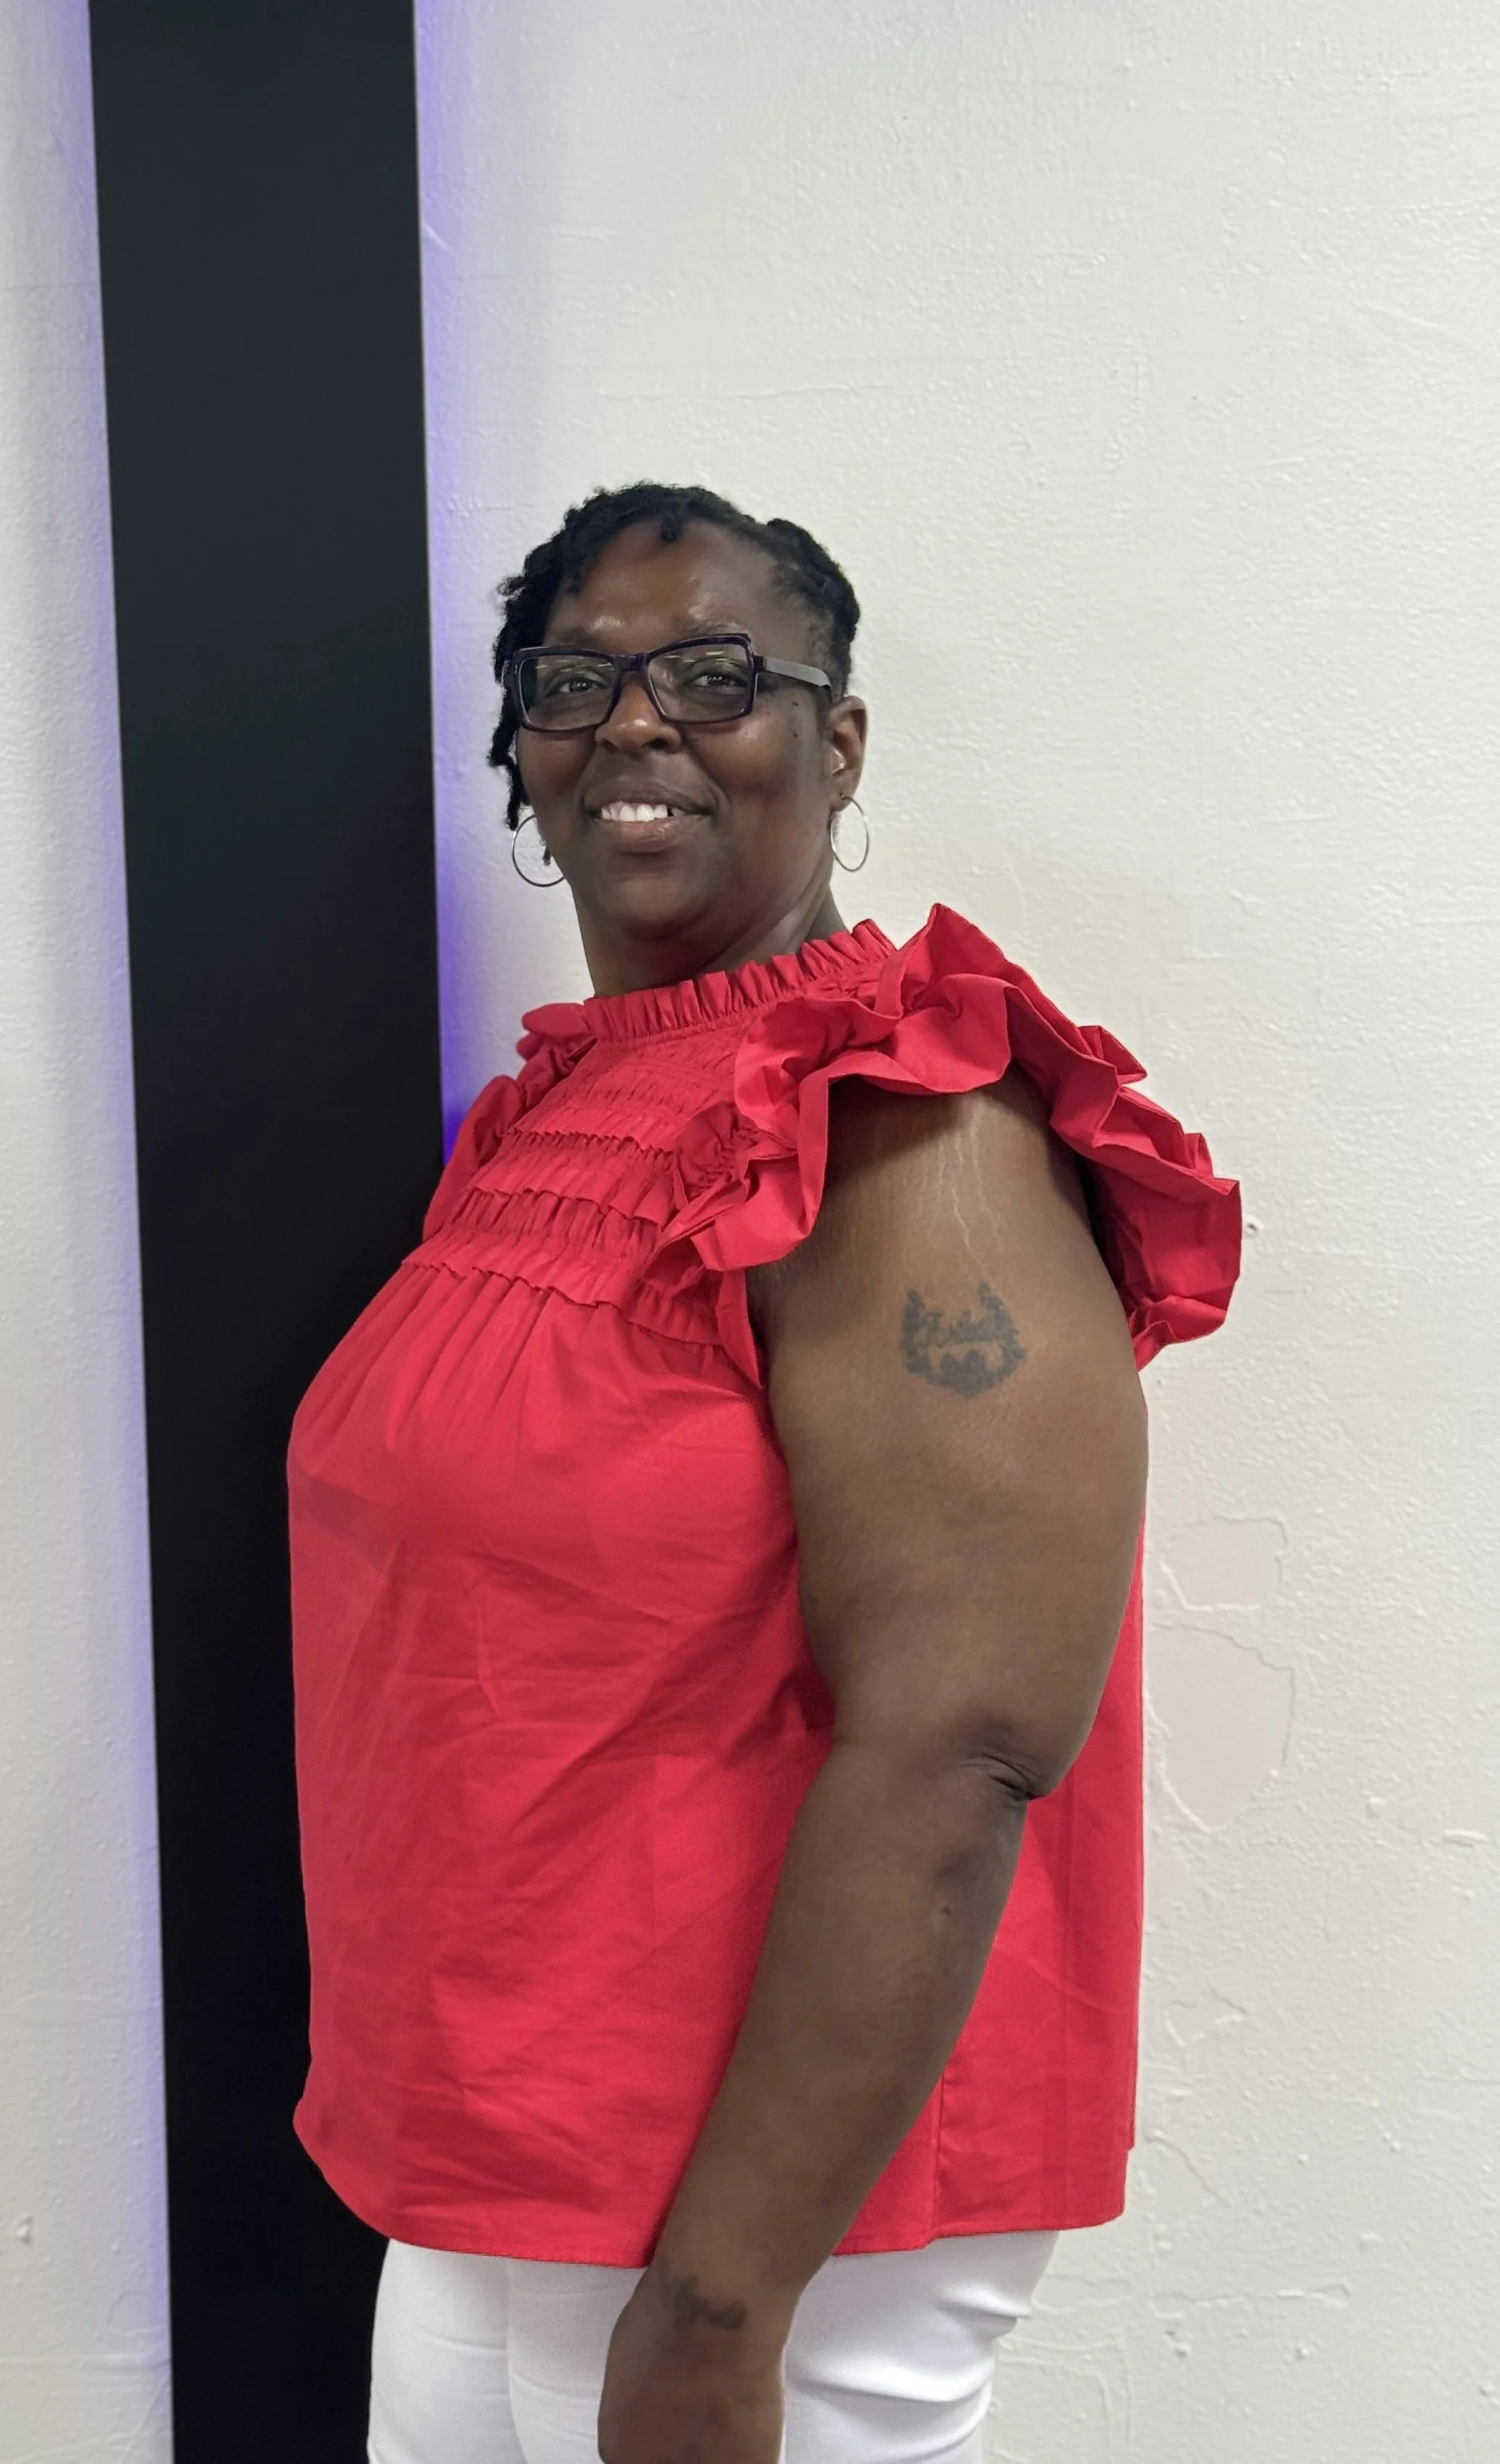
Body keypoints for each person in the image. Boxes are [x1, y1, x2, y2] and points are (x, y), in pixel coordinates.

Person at [288, 483, 1241, 2464]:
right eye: (576, 680)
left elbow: (963, 1732)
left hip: (757, 2208)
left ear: (838, 738)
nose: (634, 723)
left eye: (711, 673)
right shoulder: (556, 1112)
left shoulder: (905, 1124)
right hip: (510, 2147)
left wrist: (726, 2298)